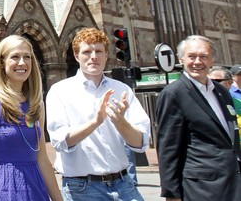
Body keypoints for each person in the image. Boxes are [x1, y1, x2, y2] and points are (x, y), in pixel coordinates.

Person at [46, 27, 150, 201]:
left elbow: (140, 142)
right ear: (77, 56)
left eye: (99, 51)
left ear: (106, 55)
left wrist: (120, 122)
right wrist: (95, 122)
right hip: (82, 189)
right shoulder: (60, 91)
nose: (94, 56)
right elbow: (60, 141)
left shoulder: (121, 90)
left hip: (124, 185)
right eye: (87, 51)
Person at [156, 35, 241, 200]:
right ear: (181, 59)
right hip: (202, 189)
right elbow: (168, 147)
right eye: (191, 56)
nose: (197, 61)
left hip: (232, 183)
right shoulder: (174, 93)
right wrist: (172, 193)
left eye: (203, 56)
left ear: (211, 60)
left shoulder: (221, 91)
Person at [0, 35, 62, 201]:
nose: (22, 63)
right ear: (1, 63)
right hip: (2, 191)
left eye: (27, 57)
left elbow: (42, 158)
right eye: (15, 57)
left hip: (35, 190)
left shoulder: (37, 105)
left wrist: (58, 199)